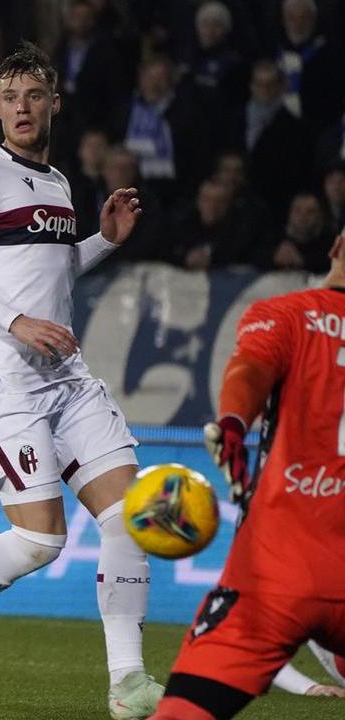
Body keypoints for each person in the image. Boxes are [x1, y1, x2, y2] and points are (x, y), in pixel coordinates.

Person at [0, 43, 162, 719]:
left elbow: (49, 272)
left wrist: (102, 241)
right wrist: (15, 323)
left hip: (65, 379)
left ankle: (127, 683)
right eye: (10, 96)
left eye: (34, 95)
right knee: (42, 541)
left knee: (129, 517)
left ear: (53, 104)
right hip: (5, 385)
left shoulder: (59, 183)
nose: (21, 107)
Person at [149, 232, 345, 720]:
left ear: (337, 246)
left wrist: (234, 423)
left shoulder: (286, 314)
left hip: (278, 574)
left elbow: (250, 371)